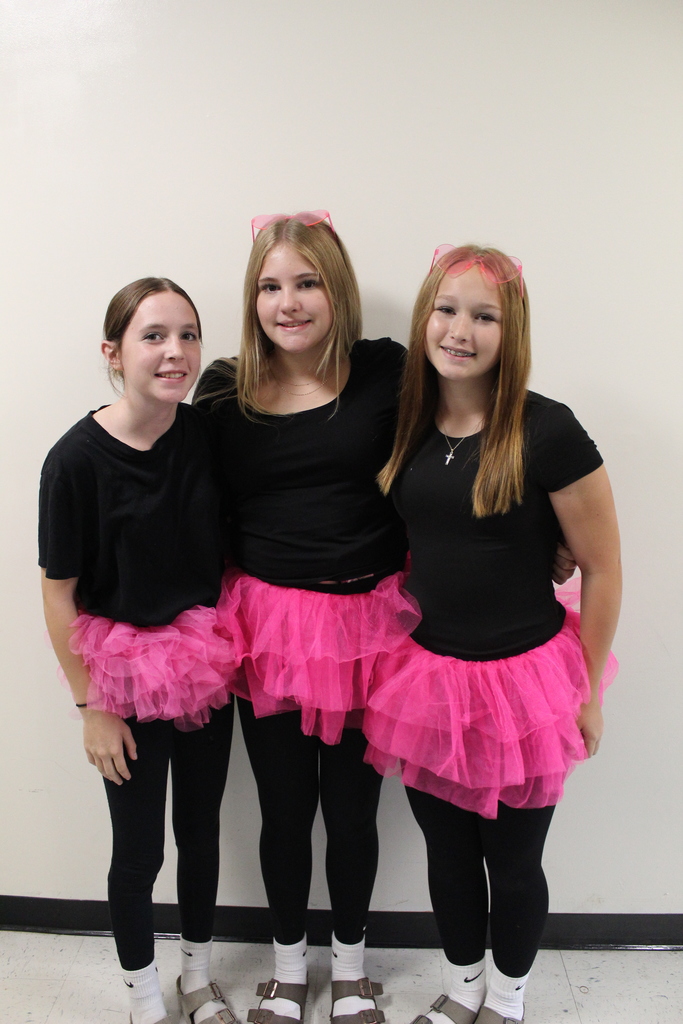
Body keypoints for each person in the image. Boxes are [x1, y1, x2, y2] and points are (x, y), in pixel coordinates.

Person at [363, 245, 621, 1024]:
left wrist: (587, 690)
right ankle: (463, 986)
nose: (460, 329)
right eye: (446, 309)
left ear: (511, 333)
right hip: (427, 680)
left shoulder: (546, 430)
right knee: (447, 853)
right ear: (423, 318)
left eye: (484, 316)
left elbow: (604, 569)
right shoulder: (406, 423)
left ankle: (505, 1002)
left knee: (511, 864)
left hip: (524, 685)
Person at [193, 211, 423, 1024]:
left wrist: (537, 541)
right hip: (266, 628)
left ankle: (352, 969)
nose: (286, 302)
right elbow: (190, 502)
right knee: (284, 811)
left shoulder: (387, 371)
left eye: (305, 282)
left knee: (355, 813)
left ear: (337, 290)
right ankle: (289, 969)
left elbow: (458, 448)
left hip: (369, 626)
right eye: (269, 285)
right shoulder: (222, 385)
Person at [40, 279, 237, 1024]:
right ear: (113, 352)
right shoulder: (74, 461)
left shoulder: (203, 434)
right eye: (154, 335)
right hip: (120, 676)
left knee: (201, 829)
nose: (175, 351)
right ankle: (143, 996)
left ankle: (195, 976)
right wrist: (91, 705)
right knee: (139, 848)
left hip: (201, 661)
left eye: (187, 334)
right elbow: (58, 594)